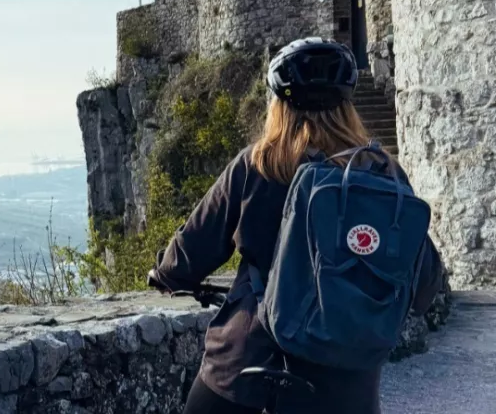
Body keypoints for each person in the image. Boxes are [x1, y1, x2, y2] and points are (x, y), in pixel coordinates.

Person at [147, 38, 444, 414]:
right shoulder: (383, 173)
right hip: (345, 387)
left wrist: (166, 272)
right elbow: (425, 284)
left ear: (278, 105)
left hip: (246, 370)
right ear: (346, 106)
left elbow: (190, 254)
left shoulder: (259, 164)